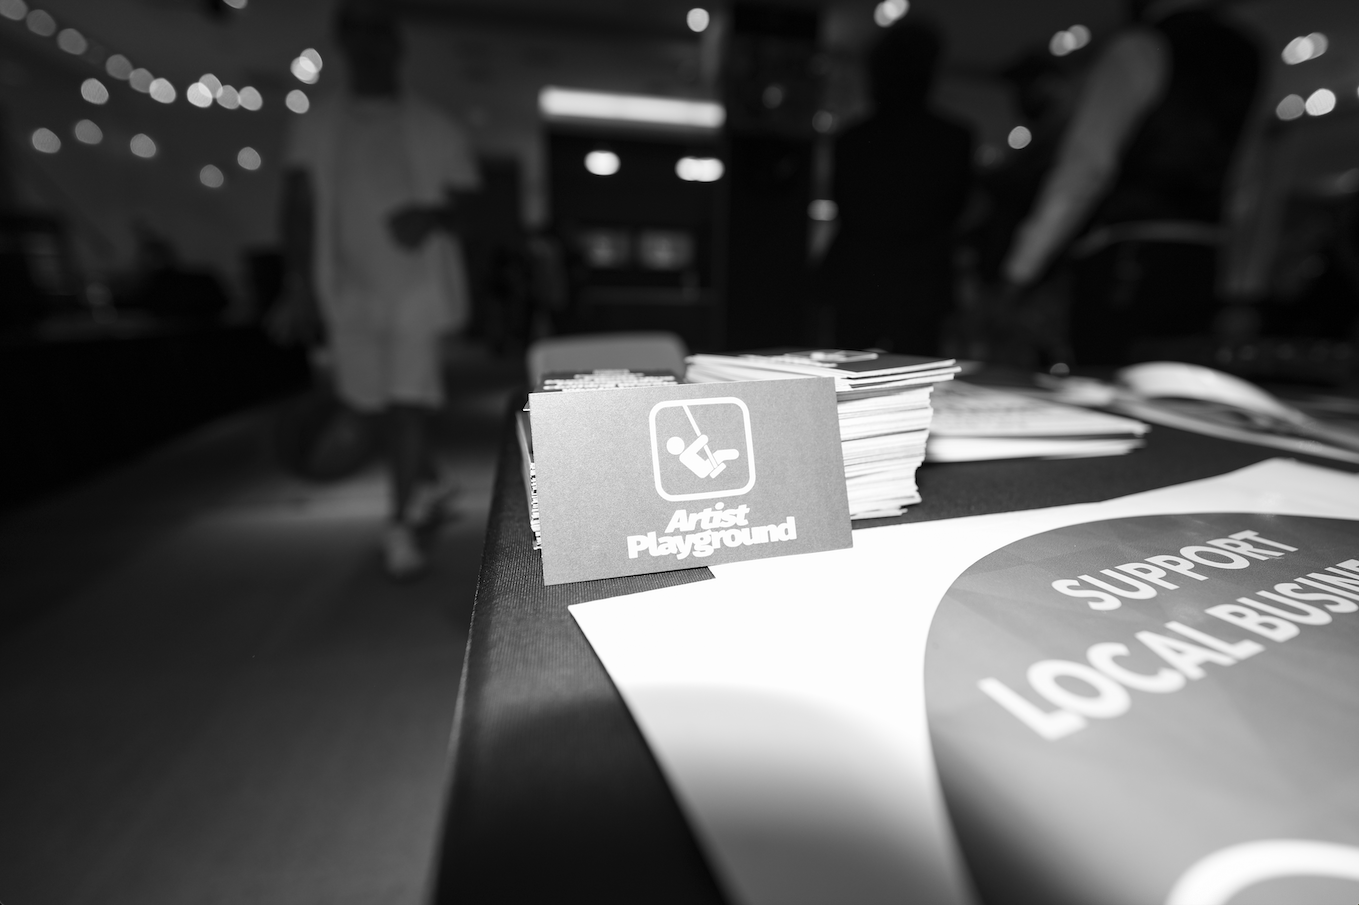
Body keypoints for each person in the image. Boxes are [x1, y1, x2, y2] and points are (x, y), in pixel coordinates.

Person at [277, 0, 480, 578]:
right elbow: (298, 204)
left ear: (396, 44)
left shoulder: (433, 126)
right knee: (370, 406)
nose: (368, 46)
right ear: (343, 44)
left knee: (408, 402)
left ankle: (401, 524)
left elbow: (474, 205)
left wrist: (432, 214)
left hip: (416, 288)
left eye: (377, 34)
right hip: (348, 289)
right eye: (356, 34)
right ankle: (432, 481)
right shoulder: (317, 124)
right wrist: (296, 283)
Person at [1000, 0, 1261, 364]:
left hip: (1127, 262)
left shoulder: (1139, 46)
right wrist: (1241, 289)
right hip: (1202, 264)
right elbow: (1250, 182)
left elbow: (1087, 167)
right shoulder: (1249, 56)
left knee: (1105, 393)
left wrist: (1021, 268)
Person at [816, 19, 973, 356]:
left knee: (848, 379)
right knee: (918, 383)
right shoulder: (953, 140)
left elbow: (847, 205)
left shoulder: (853, 140)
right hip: (921, 282)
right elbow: (953, 210)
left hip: (859, 277)